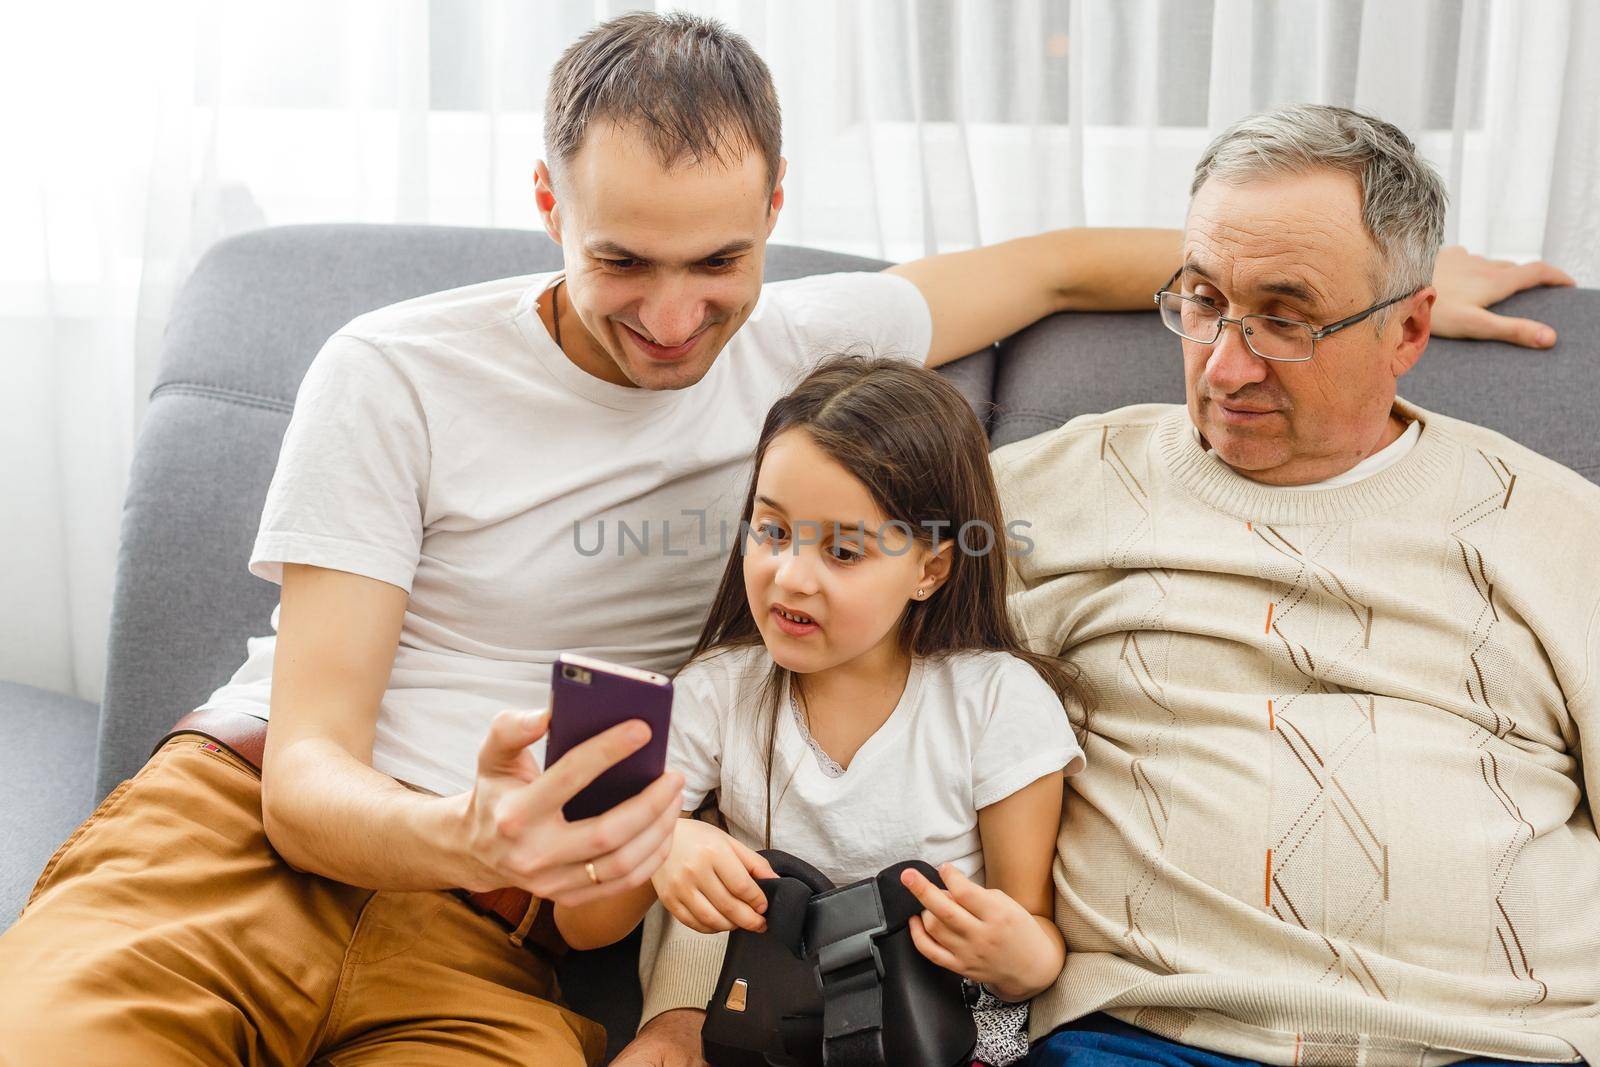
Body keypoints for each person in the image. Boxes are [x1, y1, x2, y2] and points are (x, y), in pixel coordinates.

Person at [0, 6, 1569, 1061]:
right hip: (246, 838)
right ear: (541, 197)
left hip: (500, 927)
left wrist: (1341, 283)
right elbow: (309, 771)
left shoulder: (808, 339)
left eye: (723, 263)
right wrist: (475, 835)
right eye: (622, 260)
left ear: (779, 210)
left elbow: (1039, 268)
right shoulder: (393, 367)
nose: (677, 322)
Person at [638, 104, 1600, 1067]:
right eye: (1202, 300)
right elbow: (777, 728)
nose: (1225, 363)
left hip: (1502, 1038)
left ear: (1410, 327)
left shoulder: (1556, 527)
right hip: (1149, 1033)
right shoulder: (1042, 494)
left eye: (1285, 320)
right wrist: (679, 1017)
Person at [555, 355, 1086, 1065]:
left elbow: (1037, 938)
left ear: (929, 568)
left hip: (928, 1036)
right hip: (754, 1029)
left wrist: (1018, 952)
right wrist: (658, 845)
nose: (790, 577)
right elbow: (581, 926)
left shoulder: (997, 701)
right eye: (772, 532)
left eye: (842, 550)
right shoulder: (718, 693)